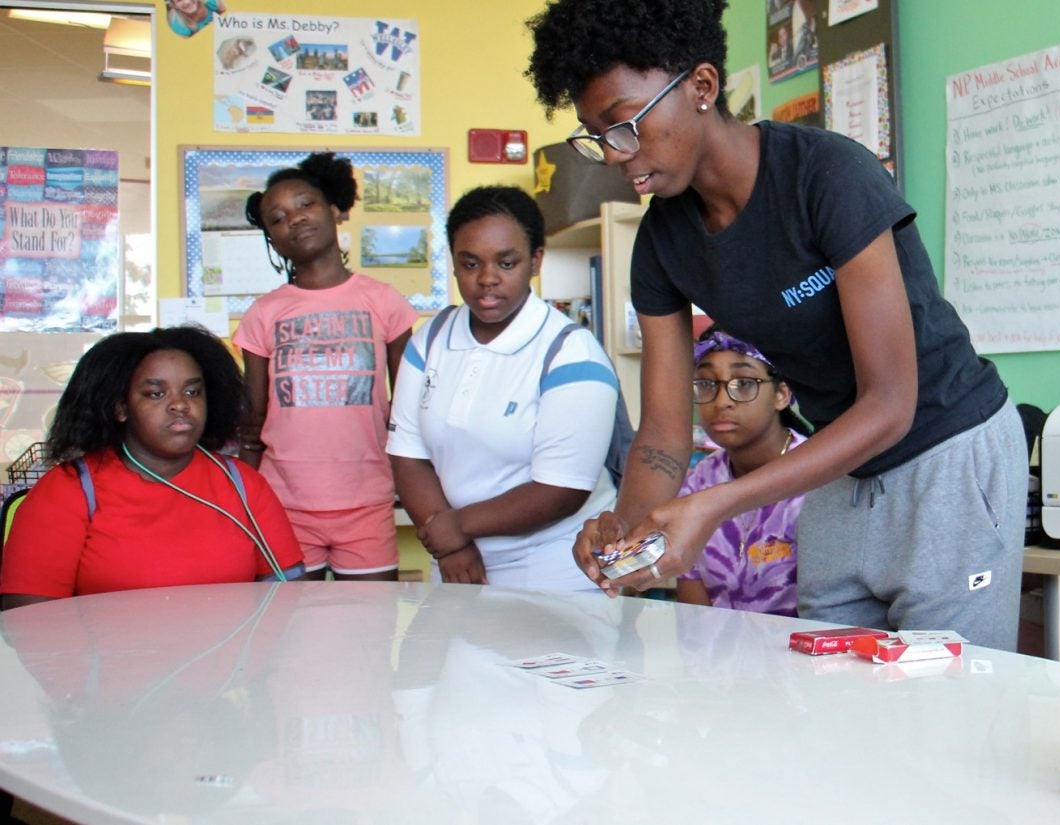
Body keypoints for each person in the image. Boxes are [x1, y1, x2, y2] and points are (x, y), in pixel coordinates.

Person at [527, 0, 1027, 649]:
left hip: (949, 451)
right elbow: (663, 436)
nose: (615, 156)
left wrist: (714, 503)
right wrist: (624, 527)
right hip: (841, 466)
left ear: (702, 87)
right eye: (597, 136)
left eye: (625, 126)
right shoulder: (661, 245)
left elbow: (891, 403)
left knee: (951, 696)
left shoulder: (827, 176)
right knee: (829, 689)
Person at [387, 185, 619, 591]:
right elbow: (408, 455)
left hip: (557, 566)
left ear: (536, 261)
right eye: (470, 263)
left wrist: (457, 526)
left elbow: (562, 489)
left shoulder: (570, 352)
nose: (487, 279)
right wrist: (451, 545)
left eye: (506, 263)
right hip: (458, 563)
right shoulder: (431, 340)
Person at [0, 326, 304, 610]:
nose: (180, 405)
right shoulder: (68, 490)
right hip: (109, 665)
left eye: (192, 392)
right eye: (156, 393)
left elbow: (286, 597)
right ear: (120, 408)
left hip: (232, 664)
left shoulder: (242, 483)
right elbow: (31, 620)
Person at [234, 152, 418, 582]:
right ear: (272, 241)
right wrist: (239, 502)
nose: (294, 220)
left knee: (370, 632)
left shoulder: (384, 302)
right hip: (283, 504)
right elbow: (253, 422)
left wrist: (421, 498)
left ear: (335, 210)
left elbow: (408, 412)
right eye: (277, 218)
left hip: (368, 501)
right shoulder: (263, 314)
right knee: (290, 634)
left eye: (305, 204)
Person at [676, 327, 811, 616]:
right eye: (706, 383)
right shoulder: (700, 481)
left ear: (782, 394)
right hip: (713, 657)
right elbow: (694, 615)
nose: (721, 400)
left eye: (744, 383)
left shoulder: (817, 478)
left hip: (801, 655)